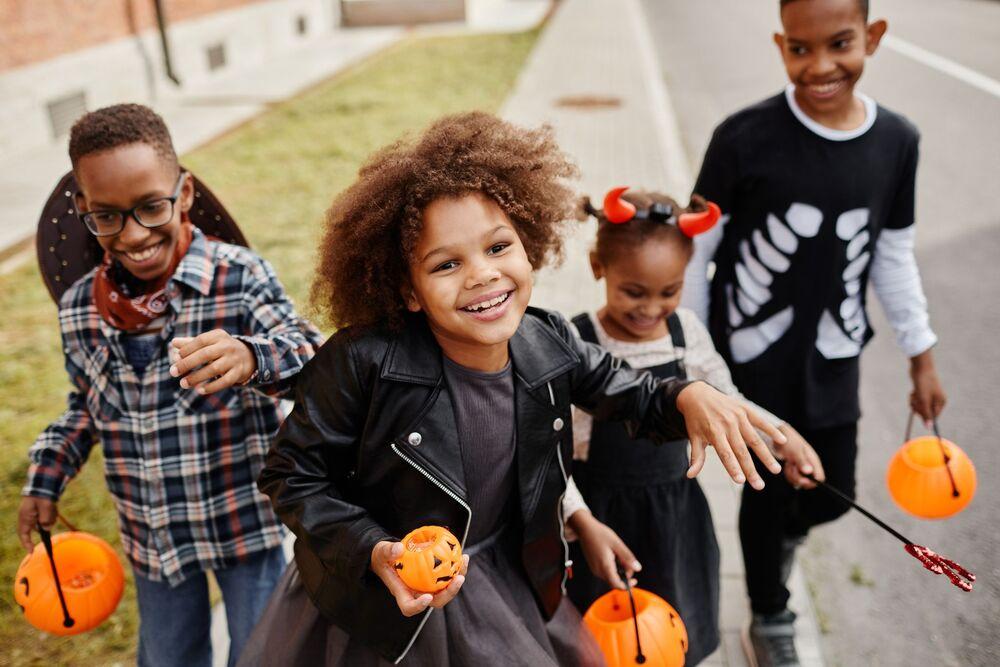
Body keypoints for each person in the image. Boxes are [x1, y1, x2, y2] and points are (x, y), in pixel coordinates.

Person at [242, 112, 789, 666]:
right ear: (409, 292)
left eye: (498, 247)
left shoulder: (548, 341)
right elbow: (293, 474)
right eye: (447, 263)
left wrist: (685, 396)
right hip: (380, 606)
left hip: (499, 582)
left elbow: (633, 393)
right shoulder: (364, 361)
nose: (481, 274)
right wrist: (373, 550)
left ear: (528, 246)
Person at [684, 1, 947, 664]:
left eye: (840, 44)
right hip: (749, 357)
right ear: (781, 45)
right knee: (767, 492)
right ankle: (769, 614)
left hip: (834, 355)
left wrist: (922, 353)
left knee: (835, 493)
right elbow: (696, 250)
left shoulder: (898, 141)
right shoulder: (741, 138)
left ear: (873, 37)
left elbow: (892, 251)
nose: (820, 66)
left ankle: (776, 544)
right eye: (800, 50)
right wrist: (688, 355)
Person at [16, 104, 324, 667]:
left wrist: (252, 357)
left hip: (242, 525)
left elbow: (314, 355)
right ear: (83, 210)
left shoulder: (238, 277)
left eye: (150, 207)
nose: (133, 234)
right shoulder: (81, 309)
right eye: (107, 216)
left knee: (263, 655)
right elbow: (85, 408)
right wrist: (45, 478)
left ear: (183, 195)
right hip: (151, 531)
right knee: (166, 658)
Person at [564, 188, 824, 666]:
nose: (650, 308)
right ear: (599, 266)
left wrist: (786, 439)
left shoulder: (687, 335)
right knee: (602, 634)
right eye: (633, 292)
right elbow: (555, 446)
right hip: (600, 515)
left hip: (674, 514)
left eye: (669, 291)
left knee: (673, 626)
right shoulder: (578, 341)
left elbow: (731, 403)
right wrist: (576, 518)